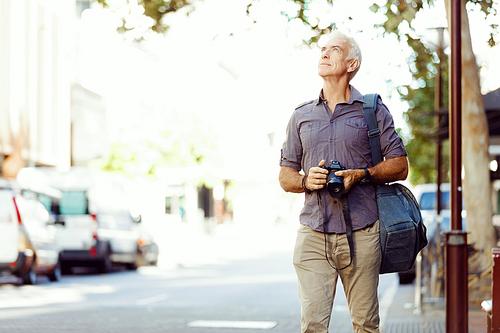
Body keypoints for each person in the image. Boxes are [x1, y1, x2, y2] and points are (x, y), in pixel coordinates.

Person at [279, 31, 409, 333]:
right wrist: (305, 180)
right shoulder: (301, 115)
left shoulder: (373, 109)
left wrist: (361, 174)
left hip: (363, 230)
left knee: (365, 324)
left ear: (351, 63)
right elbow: (286, 176)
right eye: (322, 49)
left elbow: (400, 165)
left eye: (333, 50)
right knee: (312, 325)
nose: (323, 54)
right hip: (313, 231)